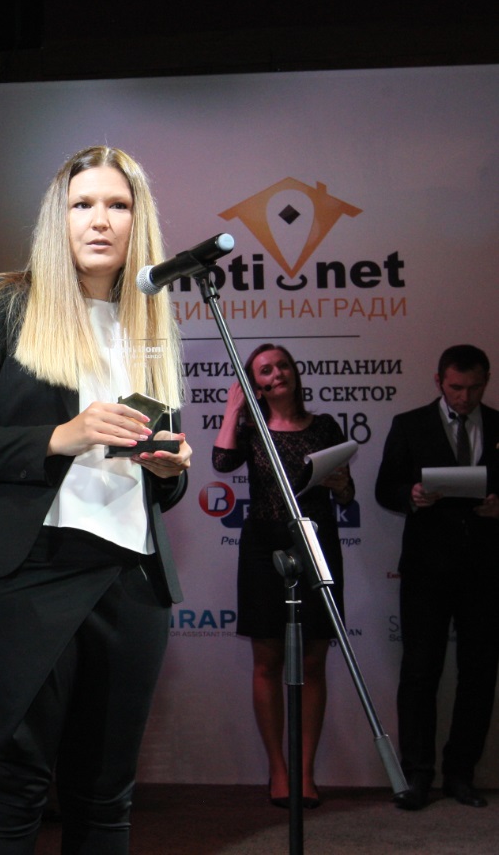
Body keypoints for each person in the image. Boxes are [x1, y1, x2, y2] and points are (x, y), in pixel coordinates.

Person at [0, 145, 191, 855]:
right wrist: (59, 437)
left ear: (138, 220)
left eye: (117, 205)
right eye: (82, 204)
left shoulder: (151, 322)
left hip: (129, 578)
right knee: (11, 791)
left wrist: (169, 469)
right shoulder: (4, 303)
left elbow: (160, 481)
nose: (99, 220)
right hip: (28, 572)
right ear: (57, 216)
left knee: (106, 798)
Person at [211, 344, 354, 809]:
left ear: (295, 372)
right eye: (265, 370)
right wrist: (234, 409)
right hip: (263, 548)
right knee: (267, 661)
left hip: (316, 542)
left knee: (313, 662)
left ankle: (306, 772)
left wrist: (340, 485)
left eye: (282, 366)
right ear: (255, 383)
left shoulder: (325, 426)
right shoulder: (251, 427)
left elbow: (347, 494)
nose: (277, 374)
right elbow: (221, 463)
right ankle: (278, 770)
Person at [375, 344, 499, 811]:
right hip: (427, 568)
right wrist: (410, 496)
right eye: (456, 387)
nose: (465, 397)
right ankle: (418, 774)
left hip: (485, 569)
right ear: (439, 381)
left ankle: (461, 774)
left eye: (474, 387)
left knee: (479, 673)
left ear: (486, 381)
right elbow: (384, 488)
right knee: (420, 671)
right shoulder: (410, 424)